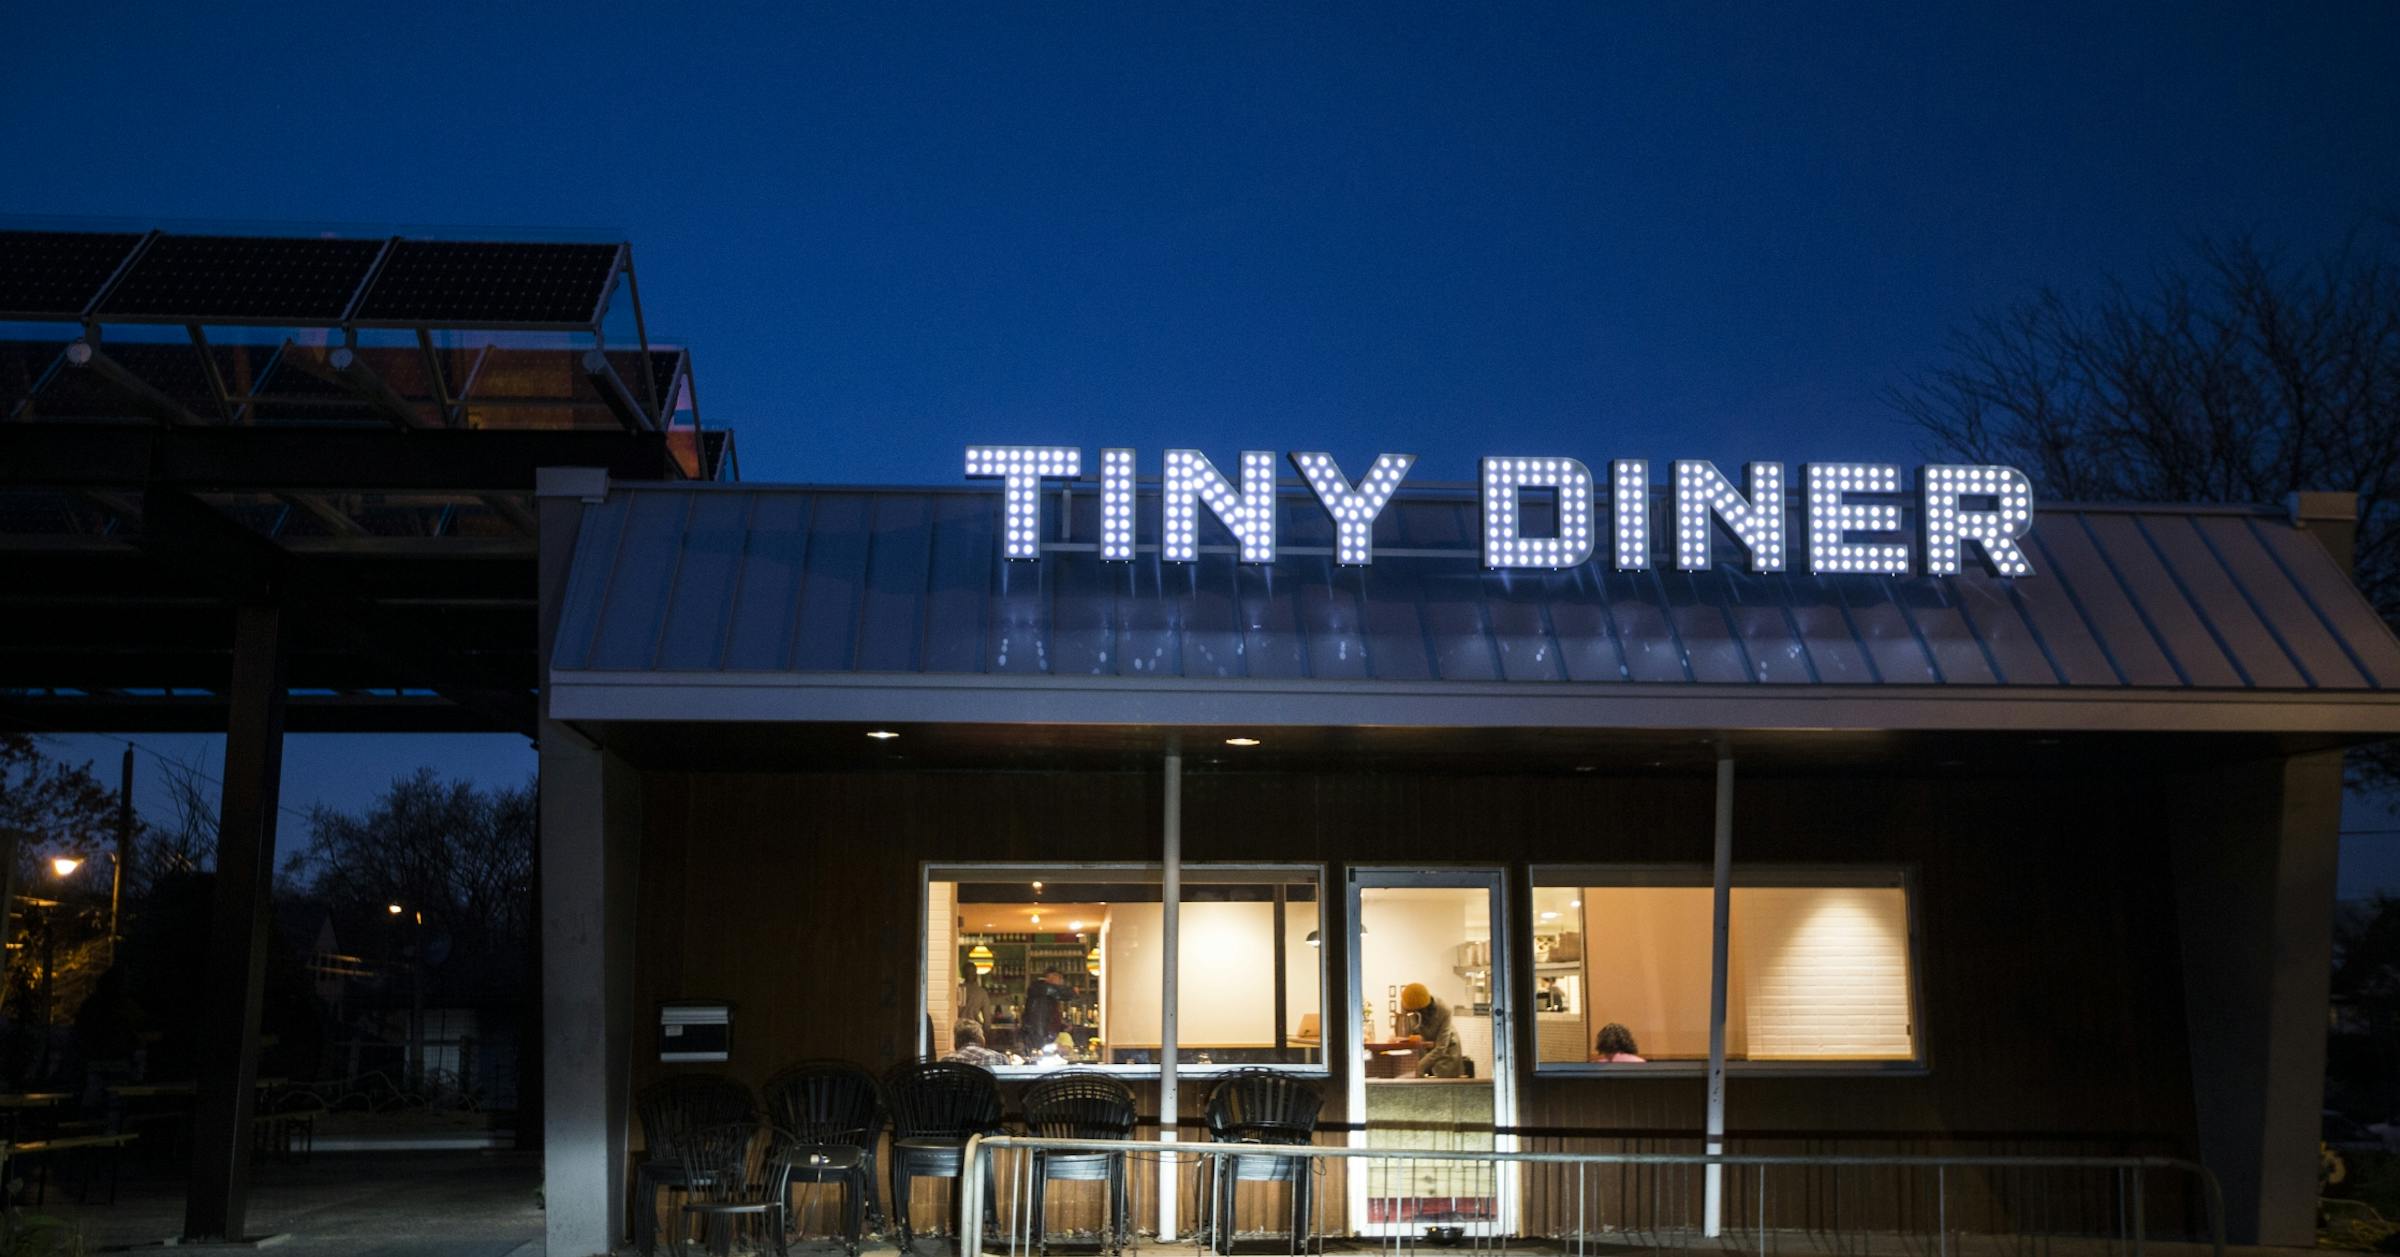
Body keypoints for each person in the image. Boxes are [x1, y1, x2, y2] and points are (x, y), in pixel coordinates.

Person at [1401, 982, 1465, 1078]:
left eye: (1415, 1012)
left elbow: (1441, 1047)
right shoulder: (1408, 1005)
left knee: (1443, 1081)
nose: (1413, 1014)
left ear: (1422, 1009)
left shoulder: (1444, 1010)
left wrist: (1419, 1066)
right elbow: (1409, 1035)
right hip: (1427, 1050)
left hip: (1447, 1050)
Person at [1021, 967, 1071, 1049]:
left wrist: (1062, 1026)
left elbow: (1049, 1017)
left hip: (1042, 1036)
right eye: (1060, 979)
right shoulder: (1040, 988)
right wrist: (1073, 992)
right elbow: (1039, 1019)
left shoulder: (1045, 992)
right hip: (1040, 1038)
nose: (1061, 983)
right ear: (1053, 977)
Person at [943, 1021, 1008, 1068]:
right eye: (982, 1034)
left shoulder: (947, 1060)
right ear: (980, 1038)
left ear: (956, 1040)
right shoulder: (998, 1058)